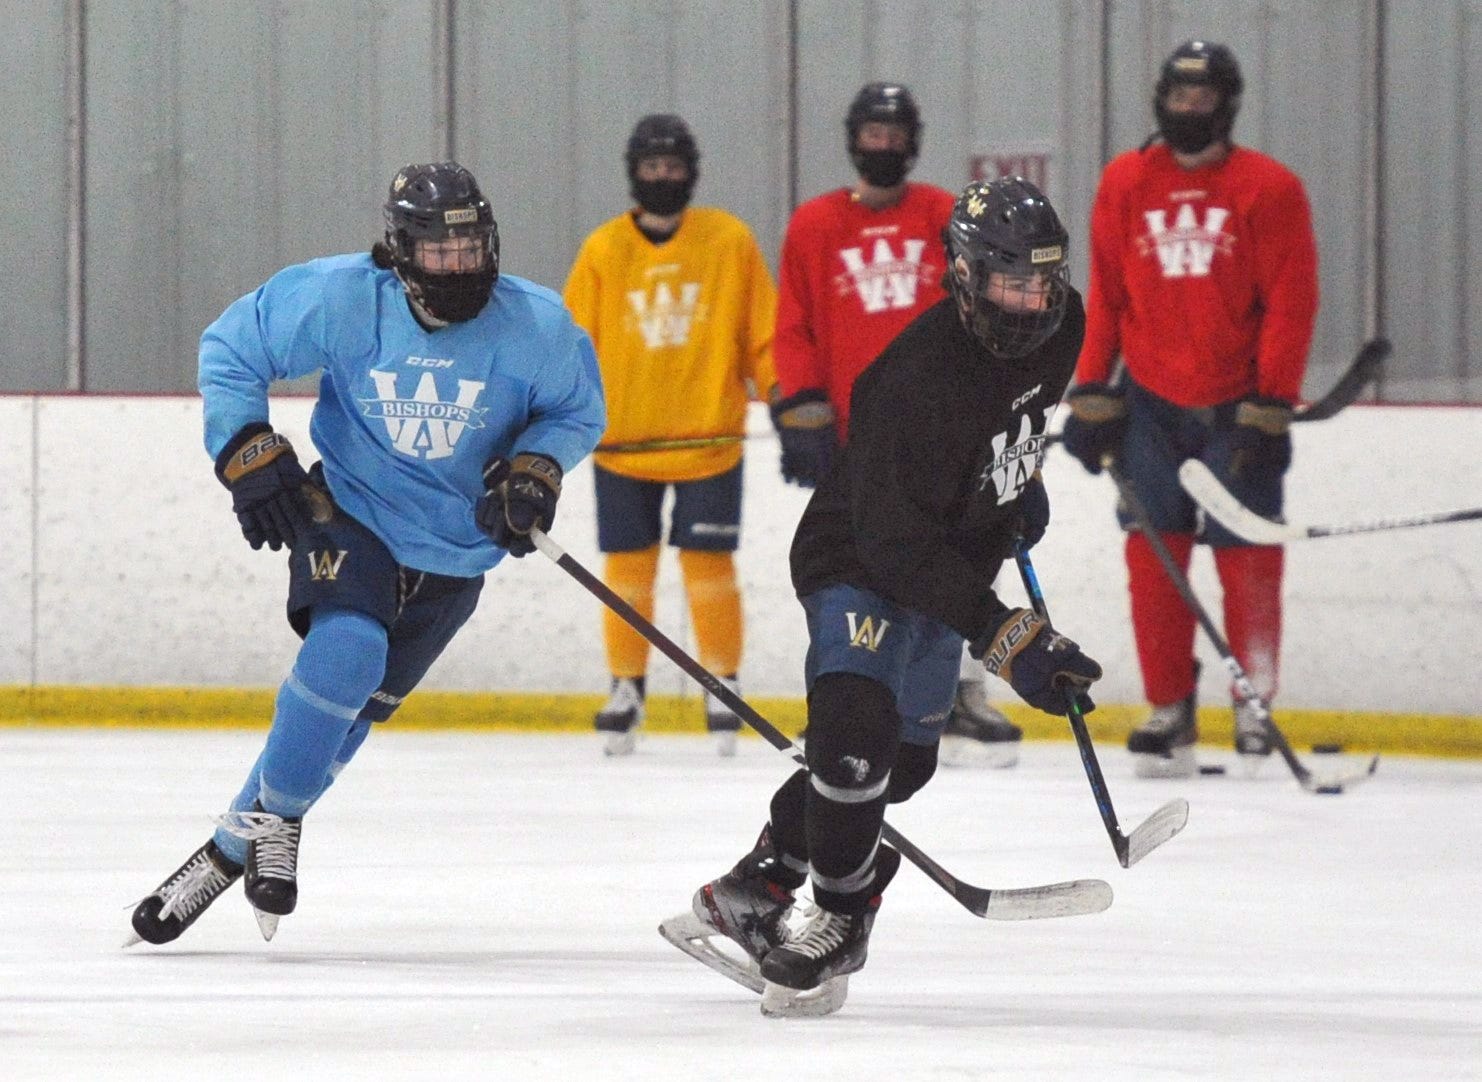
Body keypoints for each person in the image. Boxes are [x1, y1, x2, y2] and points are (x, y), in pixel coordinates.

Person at [126, 162, 605, 945]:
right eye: (440, 254)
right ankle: (277, 821)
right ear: (400, 252)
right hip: (351, 513)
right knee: (345, 655)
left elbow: (574, 413)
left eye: (472, 250)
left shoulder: (541, 327)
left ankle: (230, 845)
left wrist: (533, 473)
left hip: (455, 555)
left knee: (344, 721)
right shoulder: (342, 296)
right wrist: (247, 446)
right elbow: (230, 348)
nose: (460, 268)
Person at [673, 178, 1103, 1017]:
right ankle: (840, 915)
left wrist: (1013, 486)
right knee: (853, 737)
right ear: (965, 274)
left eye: (1040, 282)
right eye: (1009, 282)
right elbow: (895, 540)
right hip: (860, 560)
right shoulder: (911, 381)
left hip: (946, 553)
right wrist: (1006, 635)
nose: (1028, 303)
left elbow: (1011, 419)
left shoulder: (1068, 322)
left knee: (900, 769)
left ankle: (758, 883)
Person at [1060, 40, 1318, 780]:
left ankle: (1254, 701)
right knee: (1152, 557)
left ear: (1227, 105)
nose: (1187, 110)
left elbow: (1290, 303)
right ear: (1159, 100)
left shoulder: (1269, 187)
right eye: (1177, 97)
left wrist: (1272, 401)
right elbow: (1105, 293)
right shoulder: (1126, 181)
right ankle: (1169, 706)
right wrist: (1090, 388)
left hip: (1239, 403)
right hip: (1148, 404)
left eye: (1202, 99)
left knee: (1249, 557)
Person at [769, 80, 1022, 767]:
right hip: (856, 446)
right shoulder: (815, 224)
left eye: (894, 135)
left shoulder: (947, 214)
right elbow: (793, 324)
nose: (883, 146)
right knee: (848, 579)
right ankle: (842, 703)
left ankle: (963, 694)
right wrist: (800, 402)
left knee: (963, 561)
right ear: (854, 139)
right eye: (872, 134)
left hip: (947, 439)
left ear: (913, 141)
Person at [563, 114, 777, 758]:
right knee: (627, 572)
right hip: (623, 447)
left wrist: (788, 401)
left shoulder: (729, 241)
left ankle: (723, 682)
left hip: (709, 441)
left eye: (674, 167)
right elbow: (571, 345)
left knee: (709, 568)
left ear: (692, 172)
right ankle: (626, 687)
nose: (663, 178)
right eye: (652, 168)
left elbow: (761, 335)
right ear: (635, 173)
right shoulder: (603, 250)